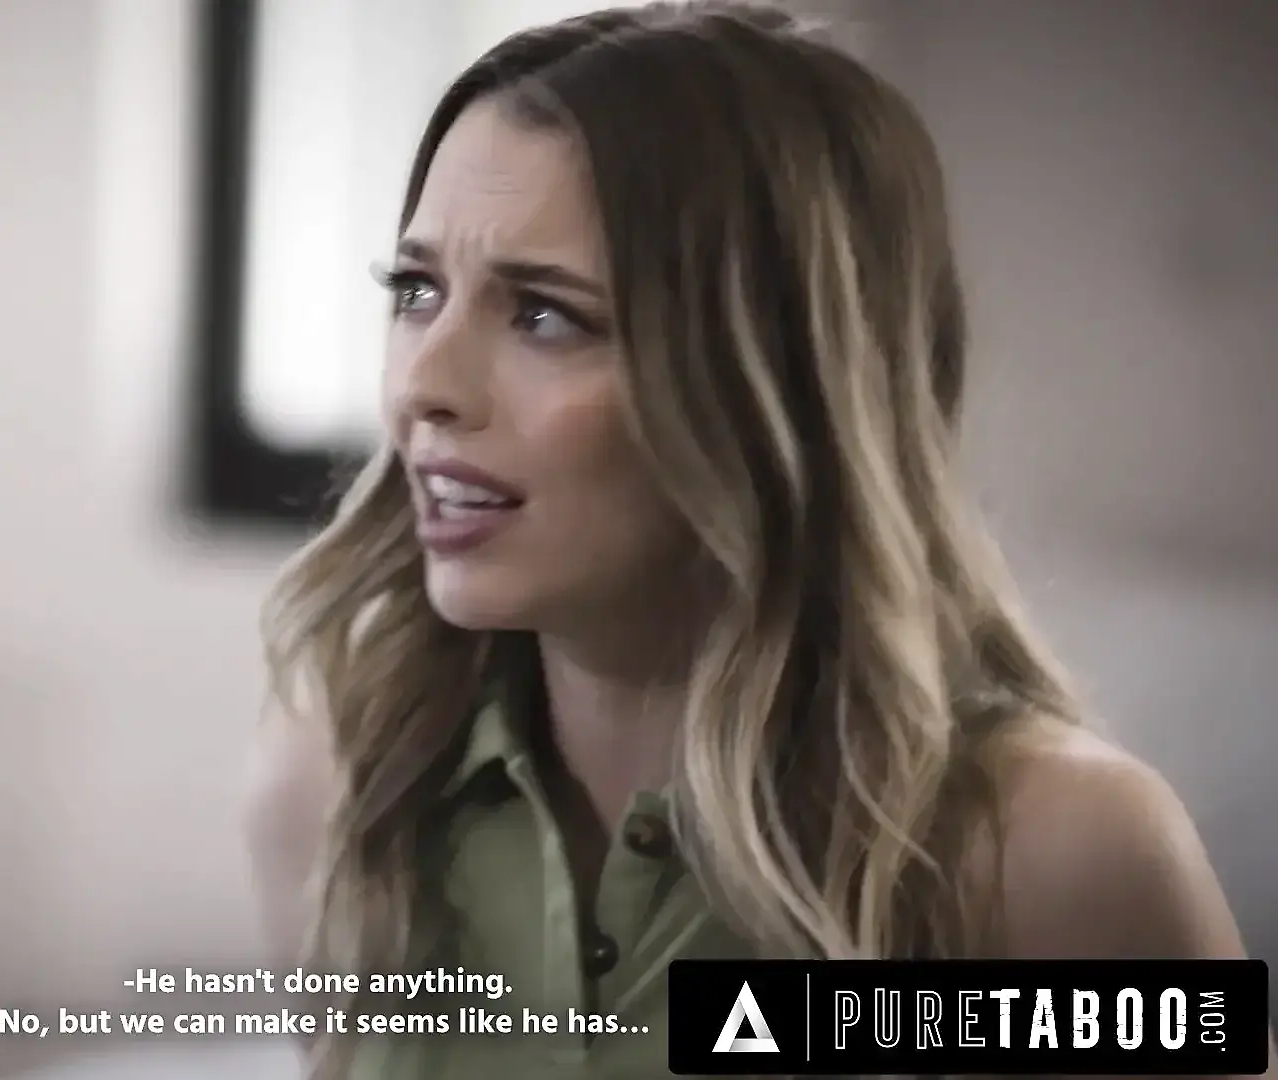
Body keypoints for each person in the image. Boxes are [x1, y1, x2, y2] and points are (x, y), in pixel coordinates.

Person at [242, 3, 1271, 1079]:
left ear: (774, 379)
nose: (423, 385)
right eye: (417, 292)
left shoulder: (1053, 854)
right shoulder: (348, 779)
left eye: (545, 315)